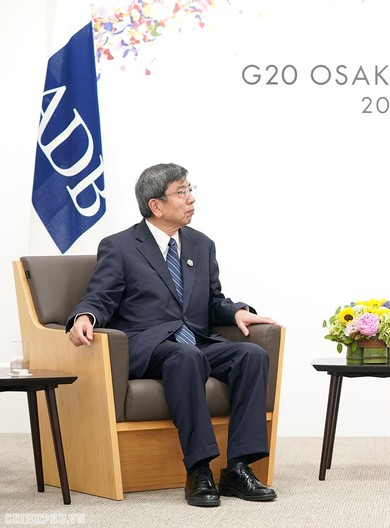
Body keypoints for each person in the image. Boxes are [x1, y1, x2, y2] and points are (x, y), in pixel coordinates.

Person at [67, 163, 278, 507]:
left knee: (252, 354)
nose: (191, 198)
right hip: (149, 346)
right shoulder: (120, 246)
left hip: (194, 341)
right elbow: (100, 296)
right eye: (181, 192)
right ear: (156, 205)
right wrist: (85, 316)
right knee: (186, 356)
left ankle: (238, 468)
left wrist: (236, 311)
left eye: (190, 189)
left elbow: (213, 300)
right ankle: (199, 469)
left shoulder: (201, 245)